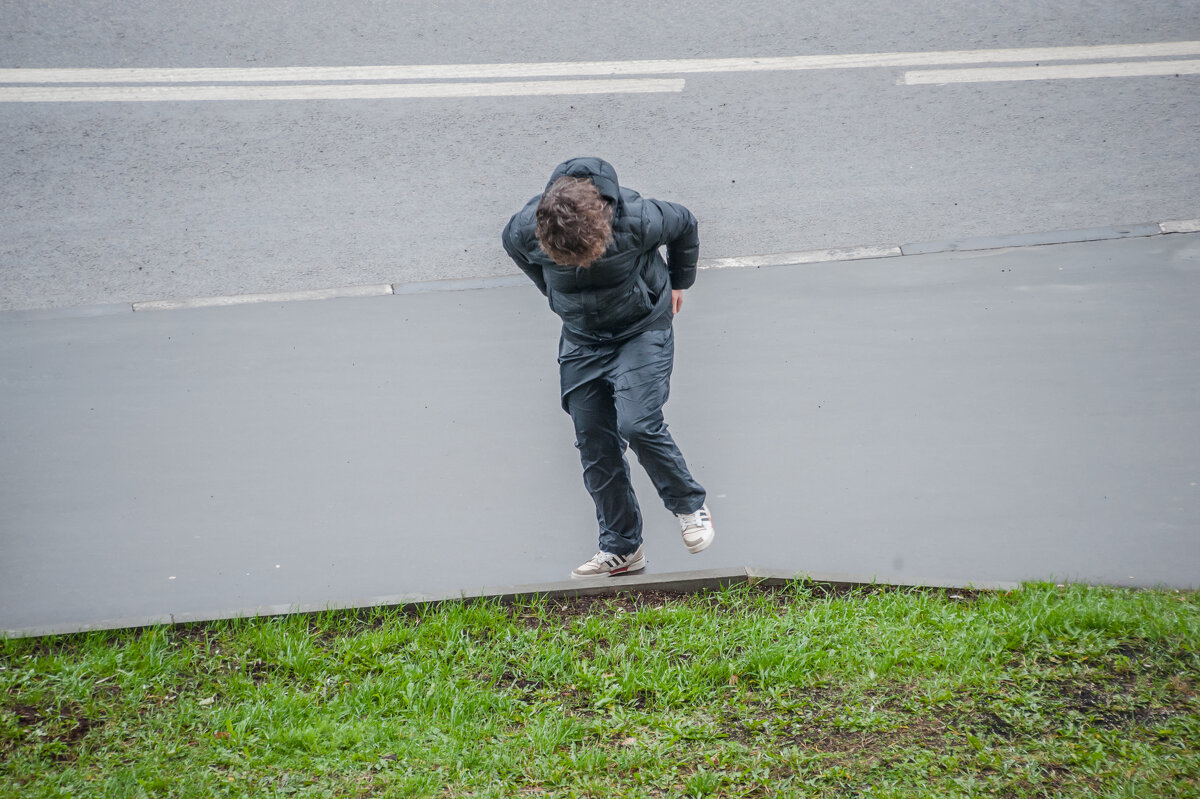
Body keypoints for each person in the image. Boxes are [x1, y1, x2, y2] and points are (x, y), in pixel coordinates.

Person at [502, 157, 714, 579]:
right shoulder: (524, 228)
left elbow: (685, 223)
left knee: (637, 423)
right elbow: (519, 255)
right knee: (594, 442)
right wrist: (556, 297)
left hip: (641, 328)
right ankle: (621, 547)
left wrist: (679, 282)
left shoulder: (636, 218)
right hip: (582, 339)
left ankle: (689, 506)